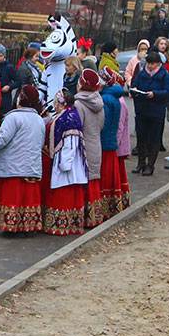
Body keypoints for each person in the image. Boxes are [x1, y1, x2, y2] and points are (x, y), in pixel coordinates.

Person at [0, 84, 46, 233]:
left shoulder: (13, 117)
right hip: (31, 167)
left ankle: (11, 226)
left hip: (12, 168)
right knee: (26, 198)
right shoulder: (39, 119)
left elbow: (1, 140)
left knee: (12, 196)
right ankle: (27, 225)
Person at [42, 91, 88, 237]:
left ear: (62, 103)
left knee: (65, 192)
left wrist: (65, 163)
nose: (54, 105)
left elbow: (70, 144)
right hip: (61, 160)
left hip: (67, 164)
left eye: (56, 102)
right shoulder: (64, 115)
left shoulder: (69, 119)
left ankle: (63, 225)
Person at [73, 69, 106, 228]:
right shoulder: (98, 101)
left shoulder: (79, 104)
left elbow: (77, 125)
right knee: (93, 179)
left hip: (84, 145)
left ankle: (83, 217)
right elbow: (101, 125)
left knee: (83, 179)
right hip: (95, 143)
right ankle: (94, 216)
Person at [130, 51, 169, 175]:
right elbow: (134, 85)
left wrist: (155, 94)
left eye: (152, 64)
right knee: (141, 138)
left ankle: (150, 165)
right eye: (148, 63)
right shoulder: (142, 74)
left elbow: (168, 92)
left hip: (156, 111)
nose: (150, 66)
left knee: (153, 139)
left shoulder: (164, 75)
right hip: (142, 110)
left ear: (158, 64)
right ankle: (140, 163)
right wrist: (135, 91)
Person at [97, 69, 131, 217]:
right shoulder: (114, 98)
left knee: (105, 178)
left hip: (106, 143)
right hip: (111, 142)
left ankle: (105, 208)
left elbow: (105, 123)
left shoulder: (106, 99)